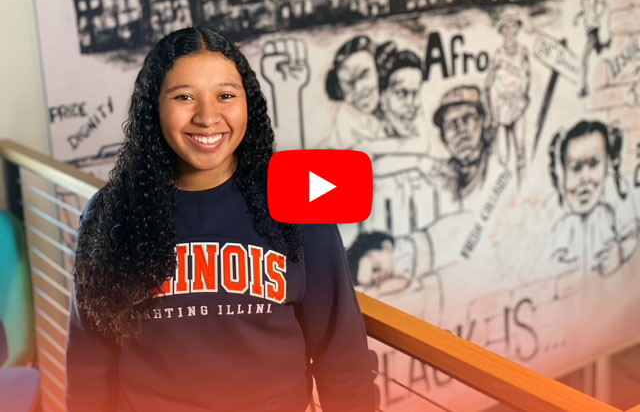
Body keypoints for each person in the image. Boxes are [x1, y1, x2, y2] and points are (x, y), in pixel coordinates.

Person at [66, 27, 375, 412]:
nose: (208, 116)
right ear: (153, 107)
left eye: (226, 96)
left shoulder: (298, 200)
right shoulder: (111, 212)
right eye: (184, 97)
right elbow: (89, 365)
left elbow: (340, 353)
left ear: (249, 104)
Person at [548, 120, 638, 277]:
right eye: (576, 168)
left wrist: (618, 254)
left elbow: (631, 238)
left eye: (594, 164)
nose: (585, 178)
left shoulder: (612, 206)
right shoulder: (560, 223)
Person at [429, 85, 494, 207]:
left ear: (482, 121)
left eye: (467, 118)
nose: (460, 129)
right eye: (451, 125)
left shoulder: (497, 159)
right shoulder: (441, 178)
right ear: (443, 138)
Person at [485, 10, 530, 181]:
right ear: (502, 31)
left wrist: (524, 94)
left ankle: (522, 185)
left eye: (514, 27)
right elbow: (487, 85)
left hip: (518, 104)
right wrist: (491, 113)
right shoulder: (497, 55)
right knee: (503, 155)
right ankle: (505, 194)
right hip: (501, 107)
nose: (510, 32)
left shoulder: (524, 52)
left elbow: (528, 76)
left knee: (521, 150)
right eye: (507, 28)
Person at [322, 35, 384, 149]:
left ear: (379, 70)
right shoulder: (348, 120)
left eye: (364, 75)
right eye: (349, 83)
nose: (358, 89)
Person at [573, 0, 611, 98]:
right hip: (587, 29)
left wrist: (598, 16)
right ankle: (604, 46)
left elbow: (605, 4)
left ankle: (583, 88)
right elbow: (584, 11)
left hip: (593, 30)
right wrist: (577, 17)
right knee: (599, 51)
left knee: (584, 60)